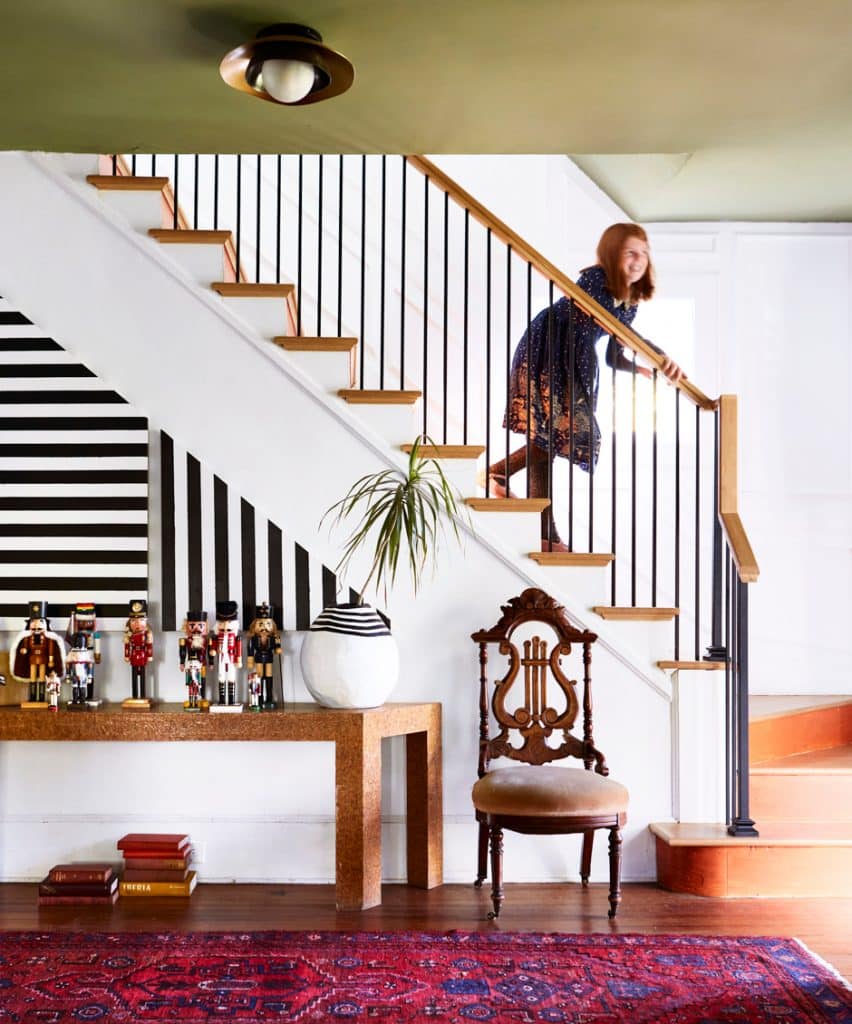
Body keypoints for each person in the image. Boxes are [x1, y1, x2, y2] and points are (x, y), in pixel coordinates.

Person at [485, 223, 684, 552]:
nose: (638, 261)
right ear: (611, 254)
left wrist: (640, 368)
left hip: (574, 361)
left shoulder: (630, 302)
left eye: (644, 255)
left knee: (546, 441)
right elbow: (610, 327)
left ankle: (546, 535)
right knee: (563, 435)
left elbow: (612, 353)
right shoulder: (595, 278)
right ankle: (497, 473)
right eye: (630, 253)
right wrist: (658, 355)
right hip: (549, 350)